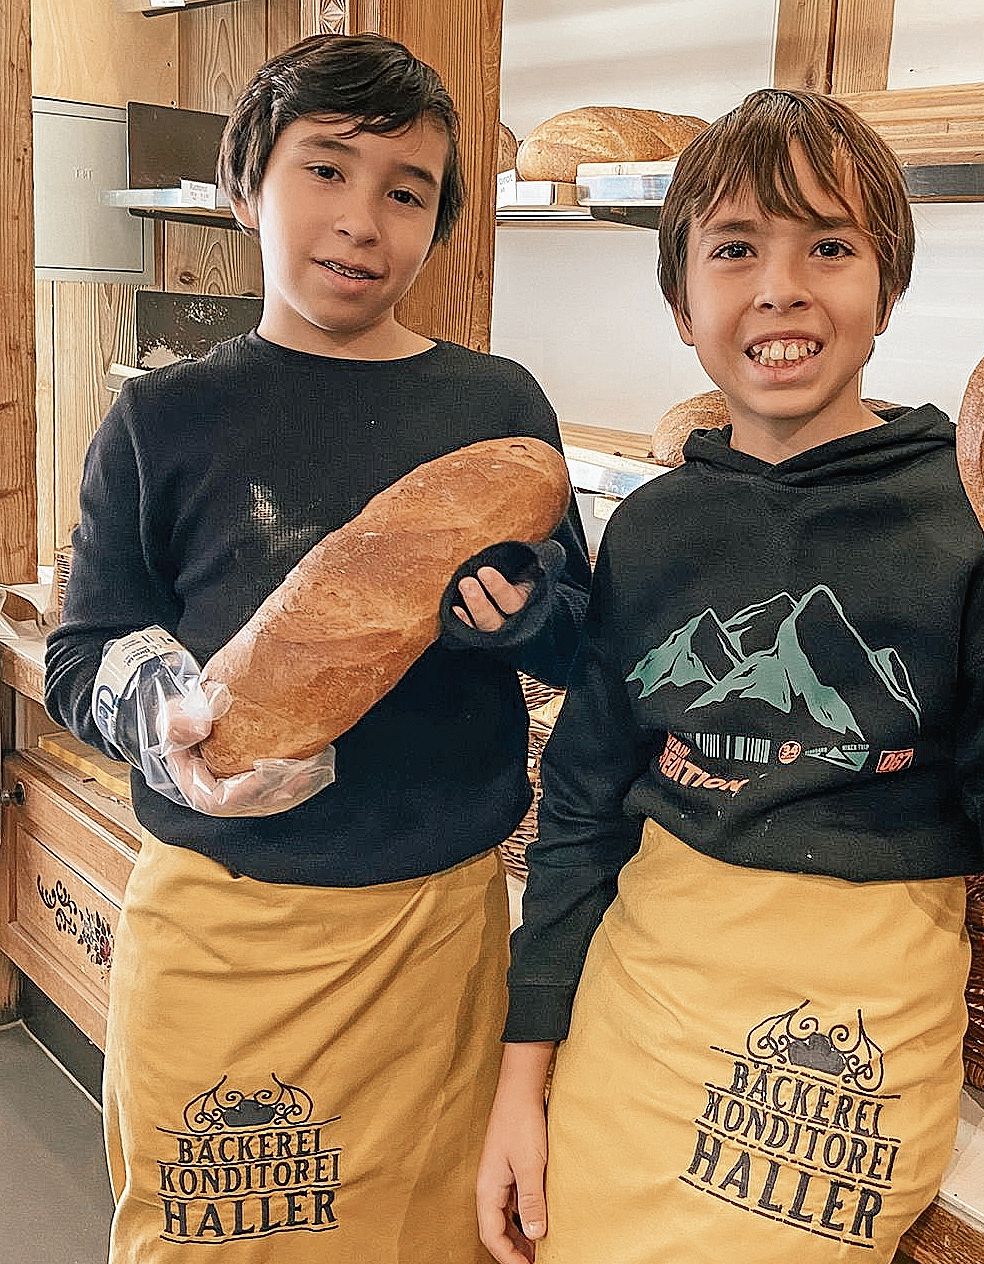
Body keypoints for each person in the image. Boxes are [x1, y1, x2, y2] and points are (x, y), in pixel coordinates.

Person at [476, 88, 984, 1264]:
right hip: (642, 1004)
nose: (782, 287)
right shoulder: (657, 527)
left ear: (886, 288)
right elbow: (579, 811)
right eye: (736, 249)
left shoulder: (968, 519)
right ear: (681, 303)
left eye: (829, 246)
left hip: (849, 1034)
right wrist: (524, 1077)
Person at [44, 33, 589, 1264]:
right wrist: (164, 713)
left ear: (439, 221)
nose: (361, 220)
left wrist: (532, 619)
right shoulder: (162, 416)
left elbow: (581, 648)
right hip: (216, 926)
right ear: (248, 185)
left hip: (428, 935)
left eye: (405, 191)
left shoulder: (494, 408)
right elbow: (84, 656)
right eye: (327, 170)